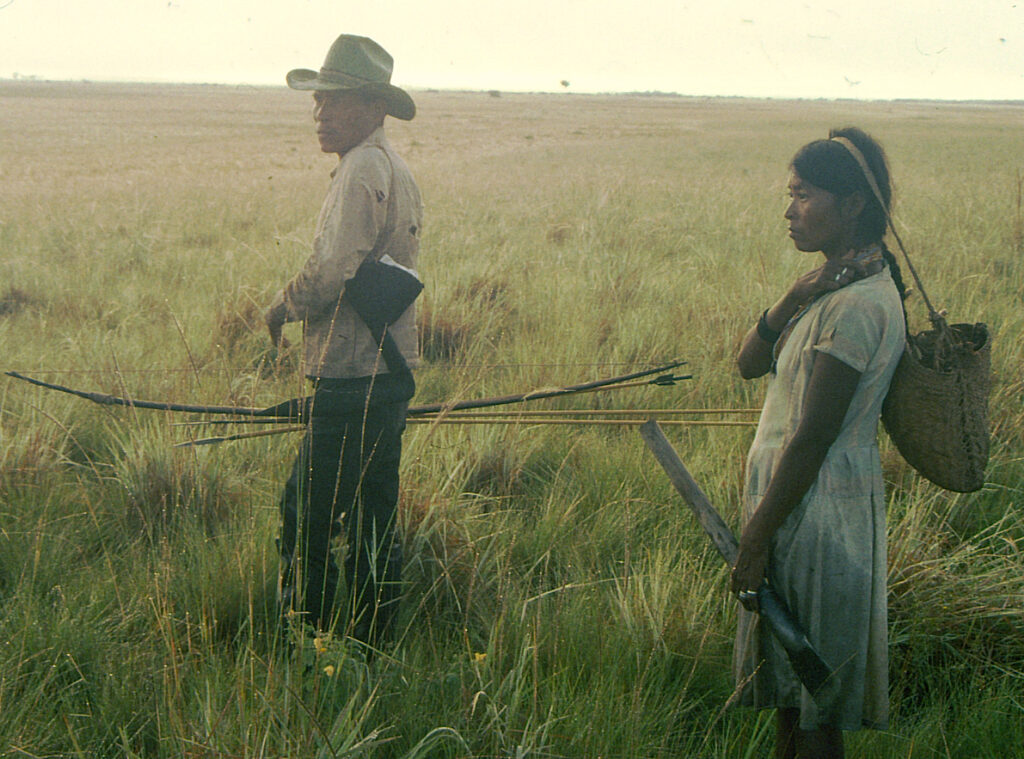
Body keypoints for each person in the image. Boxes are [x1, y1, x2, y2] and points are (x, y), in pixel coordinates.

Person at [731, 127, 908, 758]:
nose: (789, 211)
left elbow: (810, 440)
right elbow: (748, 364)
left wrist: (753, 539)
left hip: (819, 517)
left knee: (815, 712)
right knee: (792, 700)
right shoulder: (827, 291)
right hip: (796, 512)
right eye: (790, 194)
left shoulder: (859, 307)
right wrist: (792, 295)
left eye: (804, 195)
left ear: (854, 204)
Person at [264, 34, 423, 648]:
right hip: (387, 372)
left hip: (354, 372)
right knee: (372, 515)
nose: (319, 116)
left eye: (334, 103)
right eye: (318, 102)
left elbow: (332, 268)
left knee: (307, 512)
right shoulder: (391, 165)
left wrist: (282, 307)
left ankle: (308, 640)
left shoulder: (361, 168)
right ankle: (372, 641)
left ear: (373, 107)